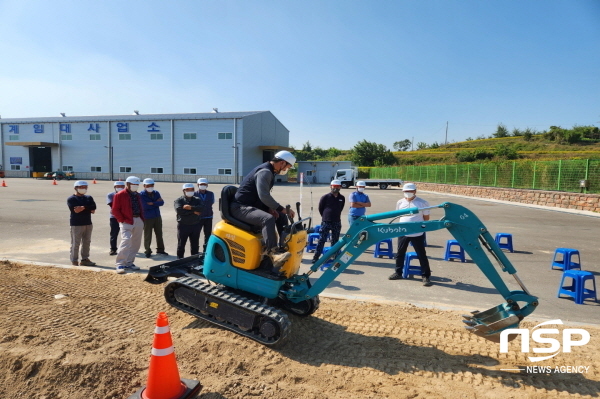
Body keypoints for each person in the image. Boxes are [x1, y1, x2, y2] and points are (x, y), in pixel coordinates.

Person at [230, 150, 296, 269]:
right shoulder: (265, 172)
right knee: (268, 219)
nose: (287, 170)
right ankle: (273, 253)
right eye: (288, 167)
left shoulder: (270, 171)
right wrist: (281, 208)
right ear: (282, 163)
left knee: (280, 216)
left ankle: (282, 247)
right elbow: (264, 195)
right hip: (240, 208)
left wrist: (271, 208)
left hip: (250, 206)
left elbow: (260, 196)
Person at [389, 182, 432, 286]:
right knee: (400, 253)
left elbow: (426, 218)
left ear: (415, 191)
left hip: (417, 233)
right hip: (403, 232)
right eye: (406, 191)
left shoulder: (423, 203)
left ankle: (426, 275)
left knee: (421, 254)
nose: (408, 193)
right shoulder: (400, 202)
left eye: (410, 191)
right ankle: (398, 272)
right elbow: (398, 215)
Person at [112, 176, 145, 274]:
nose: (135, 186)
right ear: (127, 184)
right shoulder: (120, 195)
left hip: (138, 219)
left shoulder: (138, 195)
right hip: (127, 221)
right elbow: (115, 210)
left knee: (136, 243)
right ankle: (120, 264)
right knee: (126, 241)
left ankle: (129, 262)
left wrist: (142, 219)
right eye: (133, 184)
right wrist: (122, 220)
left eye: (137, 185)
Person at [312, 179, 345, 263]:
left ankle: (334, 256)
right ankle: (316, 257)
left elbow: (341, 208)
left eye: (338, 187)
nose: (336, 188)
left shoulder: (342, 198)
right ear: (331, 186)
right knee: (322, 240)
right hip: (326, 221)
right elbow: (321, 208)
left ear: (340, 187)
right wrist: (325, 217)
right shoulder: (325, 197)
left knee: (335, 241)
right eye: (334, 186)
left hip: (337, 222)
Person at [67, 181, 97, 266]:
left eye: (85, 187)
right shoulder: (71, 199)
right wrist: (88, 208)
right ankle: (74, 260)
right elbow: (75, 210)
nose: (83, 189)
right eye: (81, 187)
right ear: (75, 188)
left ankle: (85, 259)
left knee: (87, 242)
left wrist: (83, 207)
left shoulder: (88, 197)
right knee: (76, 243)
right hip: (76, 224)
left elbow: (94, 207)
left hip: (88, 222)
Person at [140, 178, 168, 258]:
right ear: (144, 186)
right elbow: (144, 206)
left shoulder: (156, 193)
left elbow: (161, 203)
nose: (150, 187)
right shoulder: (141, 194)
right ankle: (147, 251)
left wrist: (152, 203)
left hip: (157, 216)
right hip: (147, 217)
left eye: (152, 185)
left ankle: (161, 250)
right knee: (148, 235)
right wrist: (156, 203)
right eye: (148, 185)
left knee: (159, 234)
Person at [174, 183, 203, 259]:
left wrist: (190, 208)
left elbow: (202, 208)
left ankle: (194, 259)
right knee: (181, 244)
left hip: (195, 225)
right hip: (183, 225)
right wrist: (193, 211)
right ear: (184, 191)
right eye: (188, 190)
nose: (190, 191)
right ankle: (179, 259)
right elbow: (179, 210)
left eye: (192, 190)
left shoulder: (197, 199)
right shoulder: (179, 200)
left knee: (195, 244)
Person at [194, 178, 215, 252]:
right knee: (196, 235)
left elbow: (211, 203)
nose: (203, 186)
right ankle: (195, 251)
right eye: (201, 184)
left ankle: (206, 250)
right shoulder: (194, 194)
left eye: (204, 184)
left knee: (208, 235)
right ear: (198, 185)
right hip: (198, 218)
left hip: (208, 217)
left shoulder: (211, 194)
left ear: (207, 185)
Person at [107, 181, 125, 255]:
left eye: (121, 186)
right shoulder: (111, 195)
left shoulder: (127, 195)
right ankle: (113, 249)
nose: (119, 188)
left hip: (125, 216)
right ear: (114, 187)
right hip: (114, 217)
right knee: (114, 233)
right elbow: (112, 205)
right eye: (117, 186)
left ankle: (127, 248)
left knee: (127, 234)